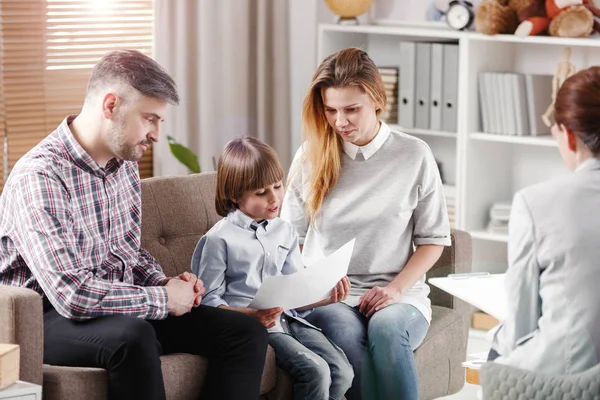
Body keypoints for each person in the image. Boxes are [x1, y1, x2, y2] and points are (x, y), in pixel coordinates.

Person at [0, 50, 269, 400]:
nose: (156, 134)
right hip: (44, 316)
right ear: (110, 105)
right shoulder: (39, 177)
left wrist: (166, 282)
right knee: (133, 336)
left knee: (244, 332)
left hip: (114, 306)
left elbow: (127, 253)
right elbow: (71, 294)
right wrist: (161, 299)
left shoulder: (123, 163)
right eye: (150, 119)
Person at [280, 47, 452, 400]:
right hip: (330, 297)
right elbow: (290, 240)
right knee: (339, 329)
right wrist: (312, 287)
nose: (340, 121)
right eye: (331, 110)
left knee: (388, 330)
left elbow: (433, 240)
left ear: (376, 100)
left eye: (351, 109)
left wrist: (395, 290)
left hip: (398, 292)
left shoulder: (414, 155)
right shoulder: (310, 156)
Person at [191, 136, 354, 400]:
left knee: (343, 372)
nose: (274, 198)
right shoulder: (218, 240)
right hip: (258, 328)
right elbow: (207, 303)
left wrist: (326, 296)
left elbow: (295, 289)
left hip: (291, 320)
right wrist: (250, 316)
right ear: (234, 195)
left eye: (278, 186)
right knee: (317, 372)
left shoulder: (284, 230)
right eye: (261, 193)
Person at [489, 66, 600, 374]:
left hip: (569, 377)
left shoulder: (536, 203)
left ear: (568, 135)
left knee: (495, 352)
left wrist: (496, 335)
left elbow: (520, 330)